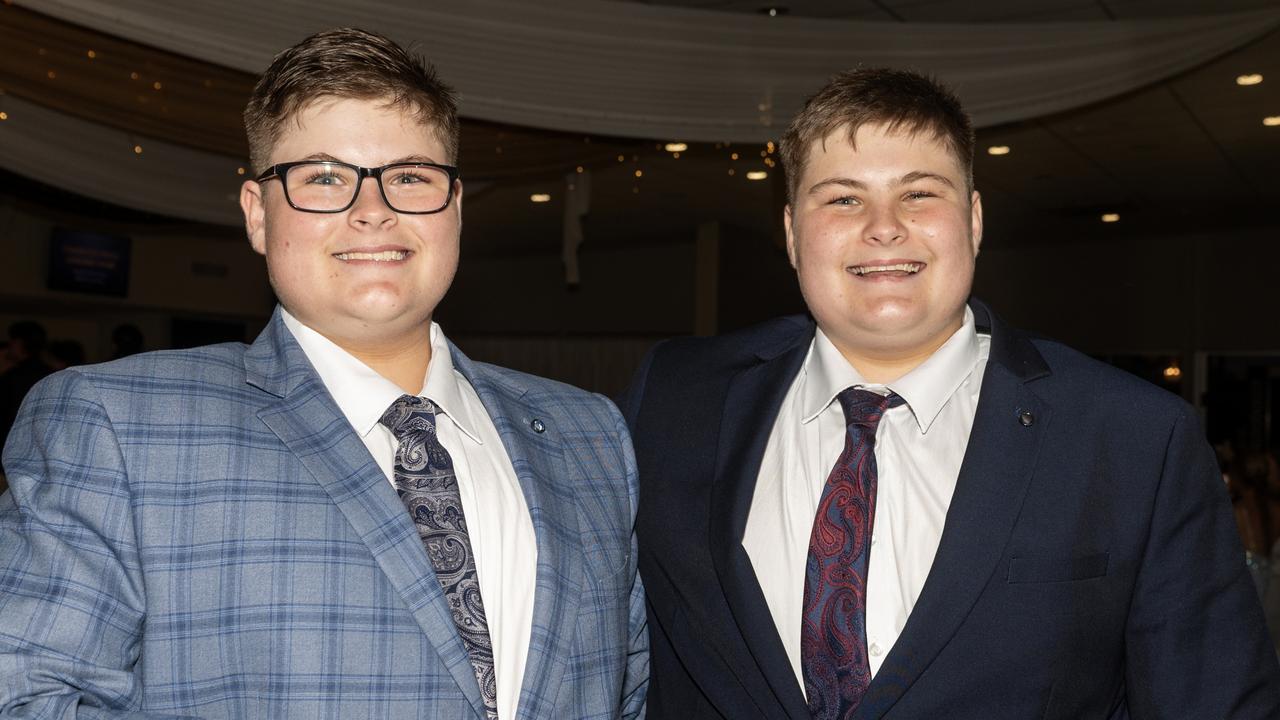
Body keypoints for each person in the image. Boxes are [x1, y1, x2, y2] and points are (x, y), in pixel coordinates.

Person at [0, 28, 646, 719]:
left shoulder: (590, 436)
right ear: (257, 215)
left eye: (410, 177)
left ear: (454, 211)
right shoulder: (119, 427)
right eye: (324, 178)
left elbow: (629, 697)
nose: (374, 210)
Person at [621, 68, 1280, 719]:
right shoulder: (675, 398)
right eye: (843, 198)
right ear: (793, 233)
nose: (884, 226)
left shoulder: (1132, 437)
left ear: (973, 218)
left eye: (919, 194)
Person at [0, 321, 53, 444]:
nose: (9, 347)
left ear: (19, 343)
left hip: (13, 443)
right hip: (42, 442)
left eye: (11, 342)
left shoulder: (12, 377)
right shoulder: (52, 375)